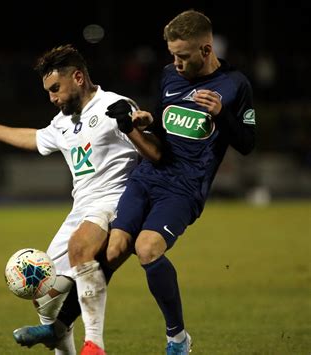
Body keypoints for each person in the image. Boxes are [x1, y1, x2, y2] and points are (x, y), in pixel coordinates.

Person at [0, 44, 161, 355]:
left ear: (77, 77)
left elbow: (147, 141)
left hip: (114, 199)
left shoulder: (114, 105)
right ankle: (62, 345)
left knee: (80, 248)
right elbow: (35, 138)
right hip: (80, 208)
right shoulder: (63, 122)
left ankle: (94, 344)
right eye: (48, 91)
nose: (52, 98)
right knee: (44, 292)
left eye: (55, 88)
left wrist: (143, 126)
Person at [101, 9, 257, 354]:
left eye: (183, 56)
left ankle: (177, 339)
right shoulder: (170, 74)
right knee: (112, 251)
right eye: (173, 55)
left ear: (206, 49)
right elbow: (163, 127)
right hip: (148, 175)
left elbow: (246, 144)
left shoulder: (235, 85)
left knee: (147, 248)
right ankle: (65, 326)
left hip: (185, 187)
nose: (177, 62)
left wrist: (222, 114)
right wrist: (146, 121)